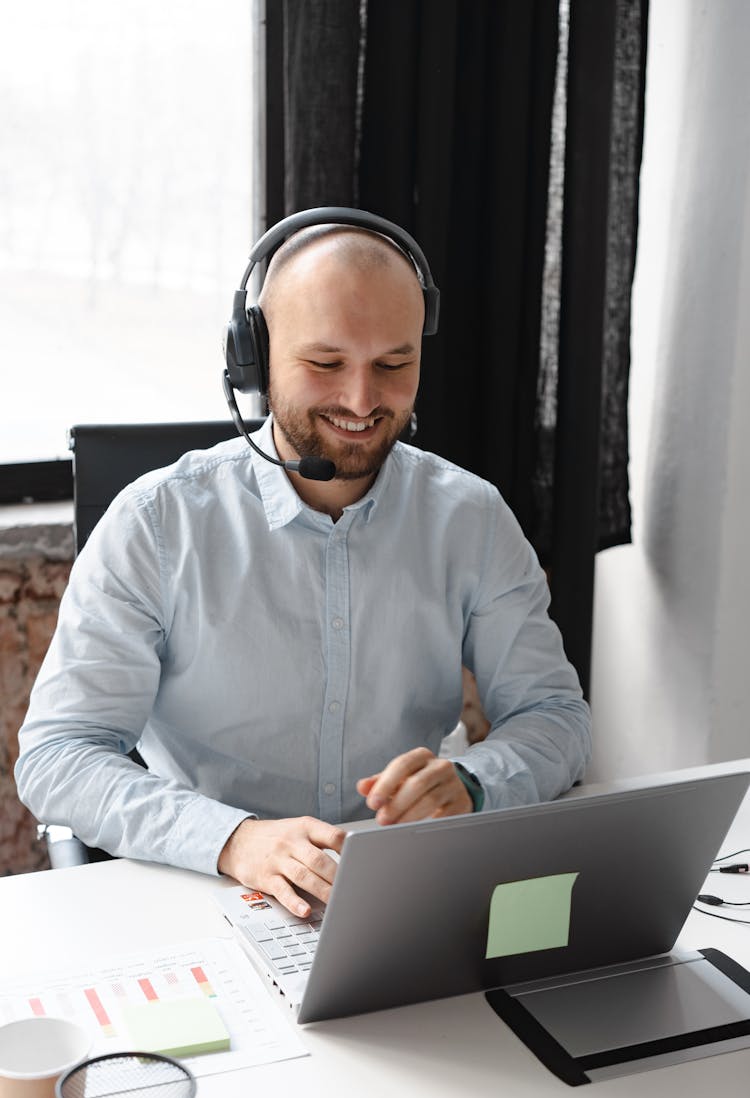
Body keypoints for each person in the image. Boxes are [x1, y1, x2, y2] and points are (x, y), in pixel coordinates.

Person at [16, 213, 591, 919]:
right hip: (211, 888)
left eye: (393, 364)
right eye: (325, 363)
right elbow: (59, 755)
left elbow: (554, 716)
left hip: (405, 889)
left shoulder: (471, 517)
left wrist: (472, 783)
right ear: (254, 359)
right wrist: (235, 838)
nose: (361, 400)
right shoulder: (156, 523)